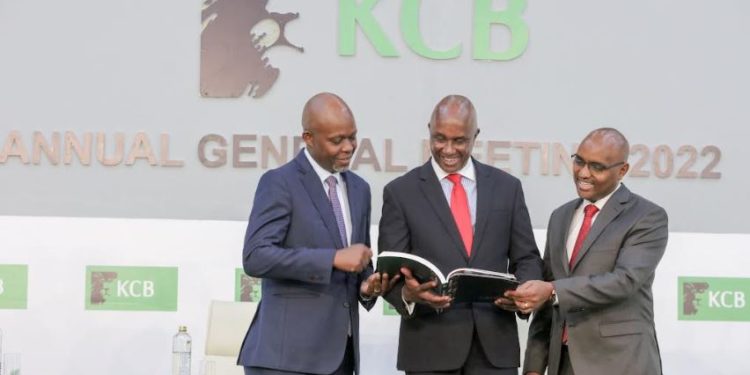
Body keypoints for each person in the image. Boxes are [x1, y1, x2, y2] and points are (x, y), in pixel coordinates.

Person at [378, 95, 544, 375]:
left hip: (495, 351)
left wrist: (523, 292)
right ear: (429, 129)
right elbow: (390, 270)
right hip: (428, 348)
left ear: (475, 135)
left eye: (460, 141)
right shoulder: (400, 192)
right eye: (440, 138)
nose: (448, 149)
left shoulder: (507, 188)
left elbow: (526, 256)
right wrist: (407, 293)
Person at [238, 92, 396, 375]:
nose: (348, 147)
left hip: (341, 358)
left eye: (353, 137)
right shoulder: (279, 182)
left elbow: (356, 265)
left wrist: (366, 285)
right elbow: (255, 257)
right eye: (337, 140)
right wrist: (332, 259)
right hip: (285, 360)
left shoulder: (360, 189)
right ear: (308, 138)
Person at [509, 128, 669, 375]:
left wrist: (552, 290)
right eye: (579, 161)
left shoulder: (647, 216)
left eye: (597, 167)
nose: (583, 173)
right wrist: (534, 366)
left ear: (622, 170)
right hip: (562, 362)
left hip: (620, 362)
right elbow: (547, 296)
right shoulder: (560, 216)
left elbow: (624, 281)